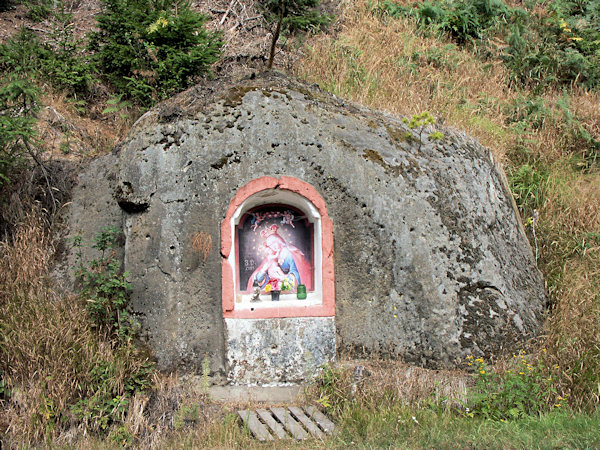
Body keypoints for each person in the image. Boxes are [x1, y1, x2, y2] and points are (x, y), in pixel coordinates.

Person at [247, 224, 312, 292]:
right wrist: (263, 270)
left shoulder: (288, 254)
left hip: (285, 284)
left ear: (278, 242)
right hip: (274, 284)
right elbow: (258, 278)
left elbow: (296, 275)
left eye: (272, 244)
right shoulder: (271, 256)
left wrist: (281, 277)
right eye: (269, 246)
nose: (272, 247)